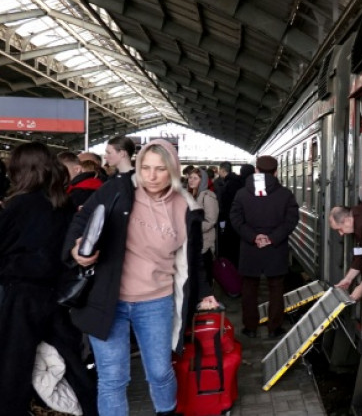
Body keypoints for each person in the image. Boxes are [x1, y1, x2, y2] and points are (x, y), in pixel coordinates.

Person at [66, 139, 220, 416]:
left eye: (160, 169)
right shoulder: (117, 190)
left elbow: (193, 258)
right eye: (145, 167)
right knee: (113, 379)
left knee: (160, 373)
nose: (151, 176)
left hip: (156, 301)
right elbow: (82, 220)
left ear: (173, 170)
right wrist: (76, 249)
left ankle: (166, 411)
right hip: (109, 300)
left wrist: (204, 292)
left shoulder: (186, 208)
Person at [0, 142, 97, 415]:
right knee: (70, 357)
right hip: (58, 294)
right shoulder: (62, 204)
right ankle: (89, 408)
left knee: (14, 366)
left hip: (21, 295)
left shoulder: (18, 205)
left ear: (23, 171)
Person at [230, 156, 299, 339]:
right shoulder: (286, 194)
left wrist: (254, 237)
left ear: (257, 170)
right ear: (276, 172)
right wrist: (272, 238)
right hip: (276, 248)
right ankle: (274, 327)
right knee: (276, 289)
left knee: (249, 289)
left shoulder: (242, 194)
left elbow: (236, 220)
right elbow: (291, 220)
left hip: (250, 248)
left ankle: (250, 328)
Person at [187, 168, 219, 287]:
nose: (191, 180)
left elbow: (211, 221)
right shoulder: (190, 195)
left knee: (205, 276)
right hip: (192, 243)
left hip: (204, 244)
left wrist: (192, 228)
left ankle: (207, 300)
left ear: (203, 180)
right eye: (190, 177)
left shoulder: (208, 197)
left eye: (195, 178)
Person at [329, 205, 362, 300]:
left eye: (339, 229)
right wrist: (348, 279)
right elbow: (361, 255)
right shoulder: (356, 219)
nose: (341, 234)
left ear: (347, 220)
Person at [214, 161, 243, 264]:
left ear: (222, 170)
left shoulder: (228, 184)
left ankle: (229, 264)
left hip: (228, 218)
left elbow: (225, 203)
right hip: (236, 218)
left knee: (229, 241)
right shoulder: (237, 182)